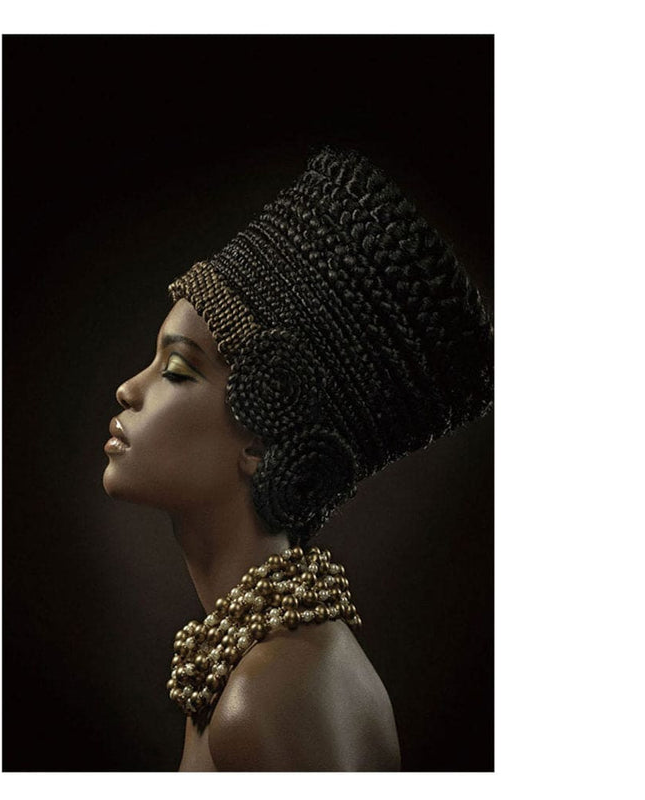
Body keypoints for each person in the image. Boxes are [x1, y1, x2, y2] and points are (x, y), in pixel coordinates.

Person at [102, 147, 493, 771]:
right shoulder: (255, 667)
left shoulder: (269, 699)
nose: (129, 389)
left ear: (262, 440)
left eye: (177, 369)